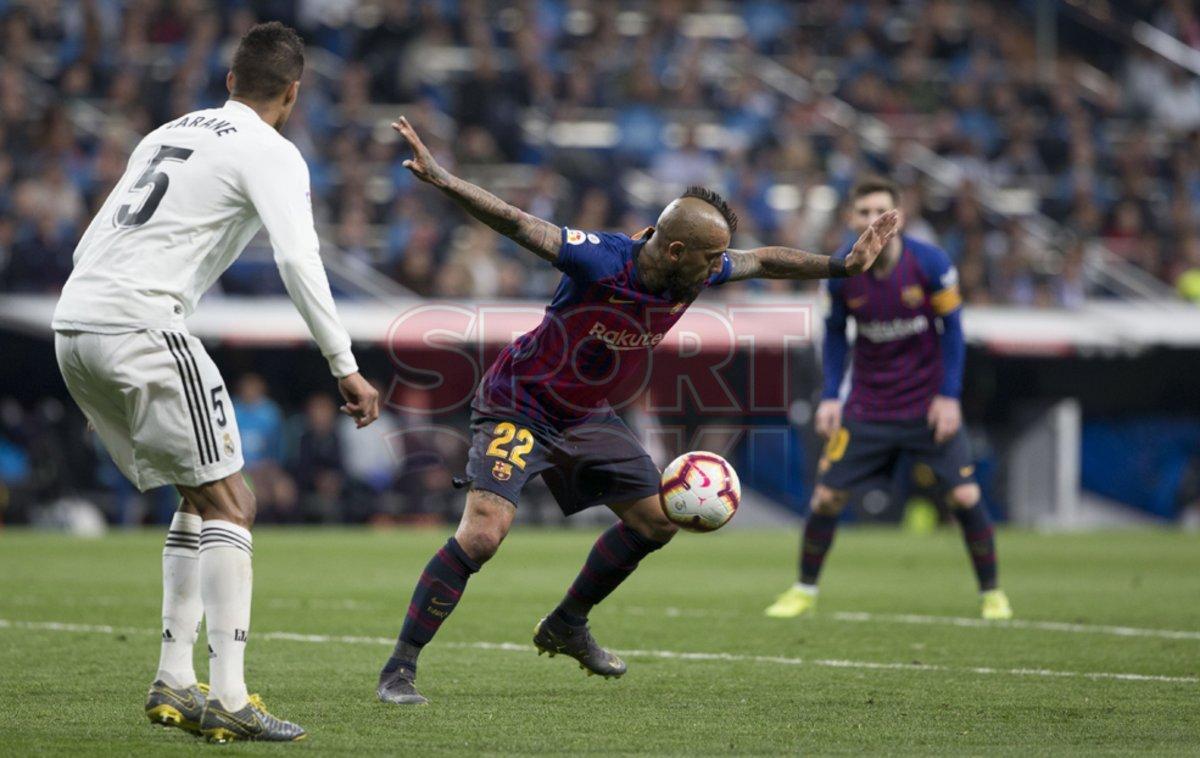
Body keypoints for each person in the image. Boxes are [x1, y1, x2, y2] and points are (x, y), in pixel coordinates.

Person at [376, 116, 901, 705]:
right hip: (519, 405)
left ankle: (566, 624)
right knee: (483, 534)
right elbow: (520, 223)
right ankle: (400, 669)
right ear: (675, 249)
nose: (720, 268)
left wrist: (842, 265)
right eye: (711, 260)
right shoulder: (602, 260)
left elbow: (765, 261)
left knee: (656, 521)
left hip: (585, 415)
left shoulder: (698, 268)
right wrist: (444, 179)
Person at [51, 22, 380, 743]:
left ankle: (173, 678)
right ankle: (228, 694)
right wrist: (344, 364)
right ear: (292, 94)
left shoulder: (166, 132)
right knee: (235, 500)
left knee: (198, 495)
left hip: (75, 321)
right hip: (141, 324)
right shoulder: (273, 151)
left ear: (230, 80)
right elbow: (299, 260)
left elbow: (88, 241)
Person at [763, 177, 1012, 622]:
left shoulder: (931, 264)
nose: (872, 219)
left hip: (925, 405)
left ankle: (992, 595)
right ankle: (803, 590)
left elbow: (953, 332)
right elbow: (836, 335)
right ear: (850, 219)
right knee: (825, 499)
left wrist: (949, 396)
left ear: (898, 218)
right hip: (867, 408)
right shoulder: (840, 272)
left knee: (965, 495)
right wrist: (832, 397)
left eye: (881, 210)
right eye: (863, 212)